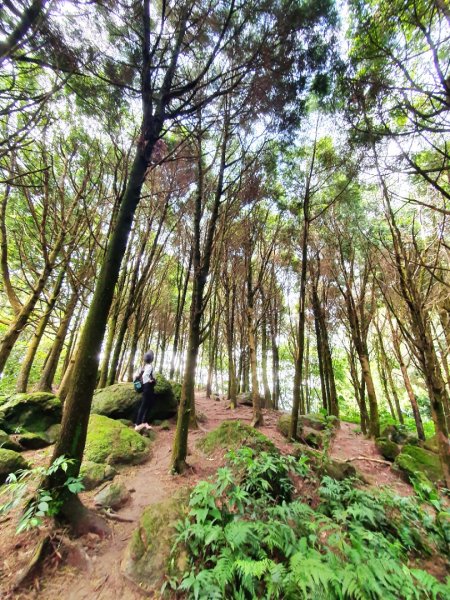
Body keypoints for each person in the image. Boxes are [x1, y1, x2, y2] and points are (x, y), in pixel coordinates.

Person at [134, 350, 156, 431]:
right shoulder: (149, 366)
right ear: (151, 358)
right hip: (148, 388)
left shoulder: (143, 366)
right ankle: (137, 424)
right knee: (144, 405)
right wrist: (150, 381)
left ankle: (144, 422)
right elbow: (145, 376)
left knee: (149, 405)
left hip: (146, 388)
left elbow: (135, 376)